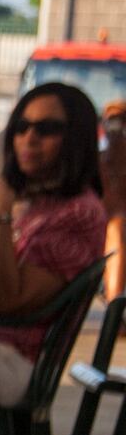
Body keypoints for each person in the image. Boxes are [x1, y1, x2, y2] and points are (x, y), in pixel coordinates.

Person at [0, 82, 107, 406]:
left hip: (8, 358)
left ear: (77, 137)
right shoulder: (30, 200)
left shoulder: (79, 212)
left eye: (47, 129)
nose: (30, 138)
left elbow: (5, 300)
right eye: (21, 127)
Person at [102, 99, 126, 303]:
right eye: (110, 123)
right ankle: (113, 301)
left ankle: (114, 302)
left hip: (118, 221)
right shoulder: (100, 158)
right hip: (106, 220)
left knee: (116, 230)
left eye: (119, 123)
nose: (114, 129)